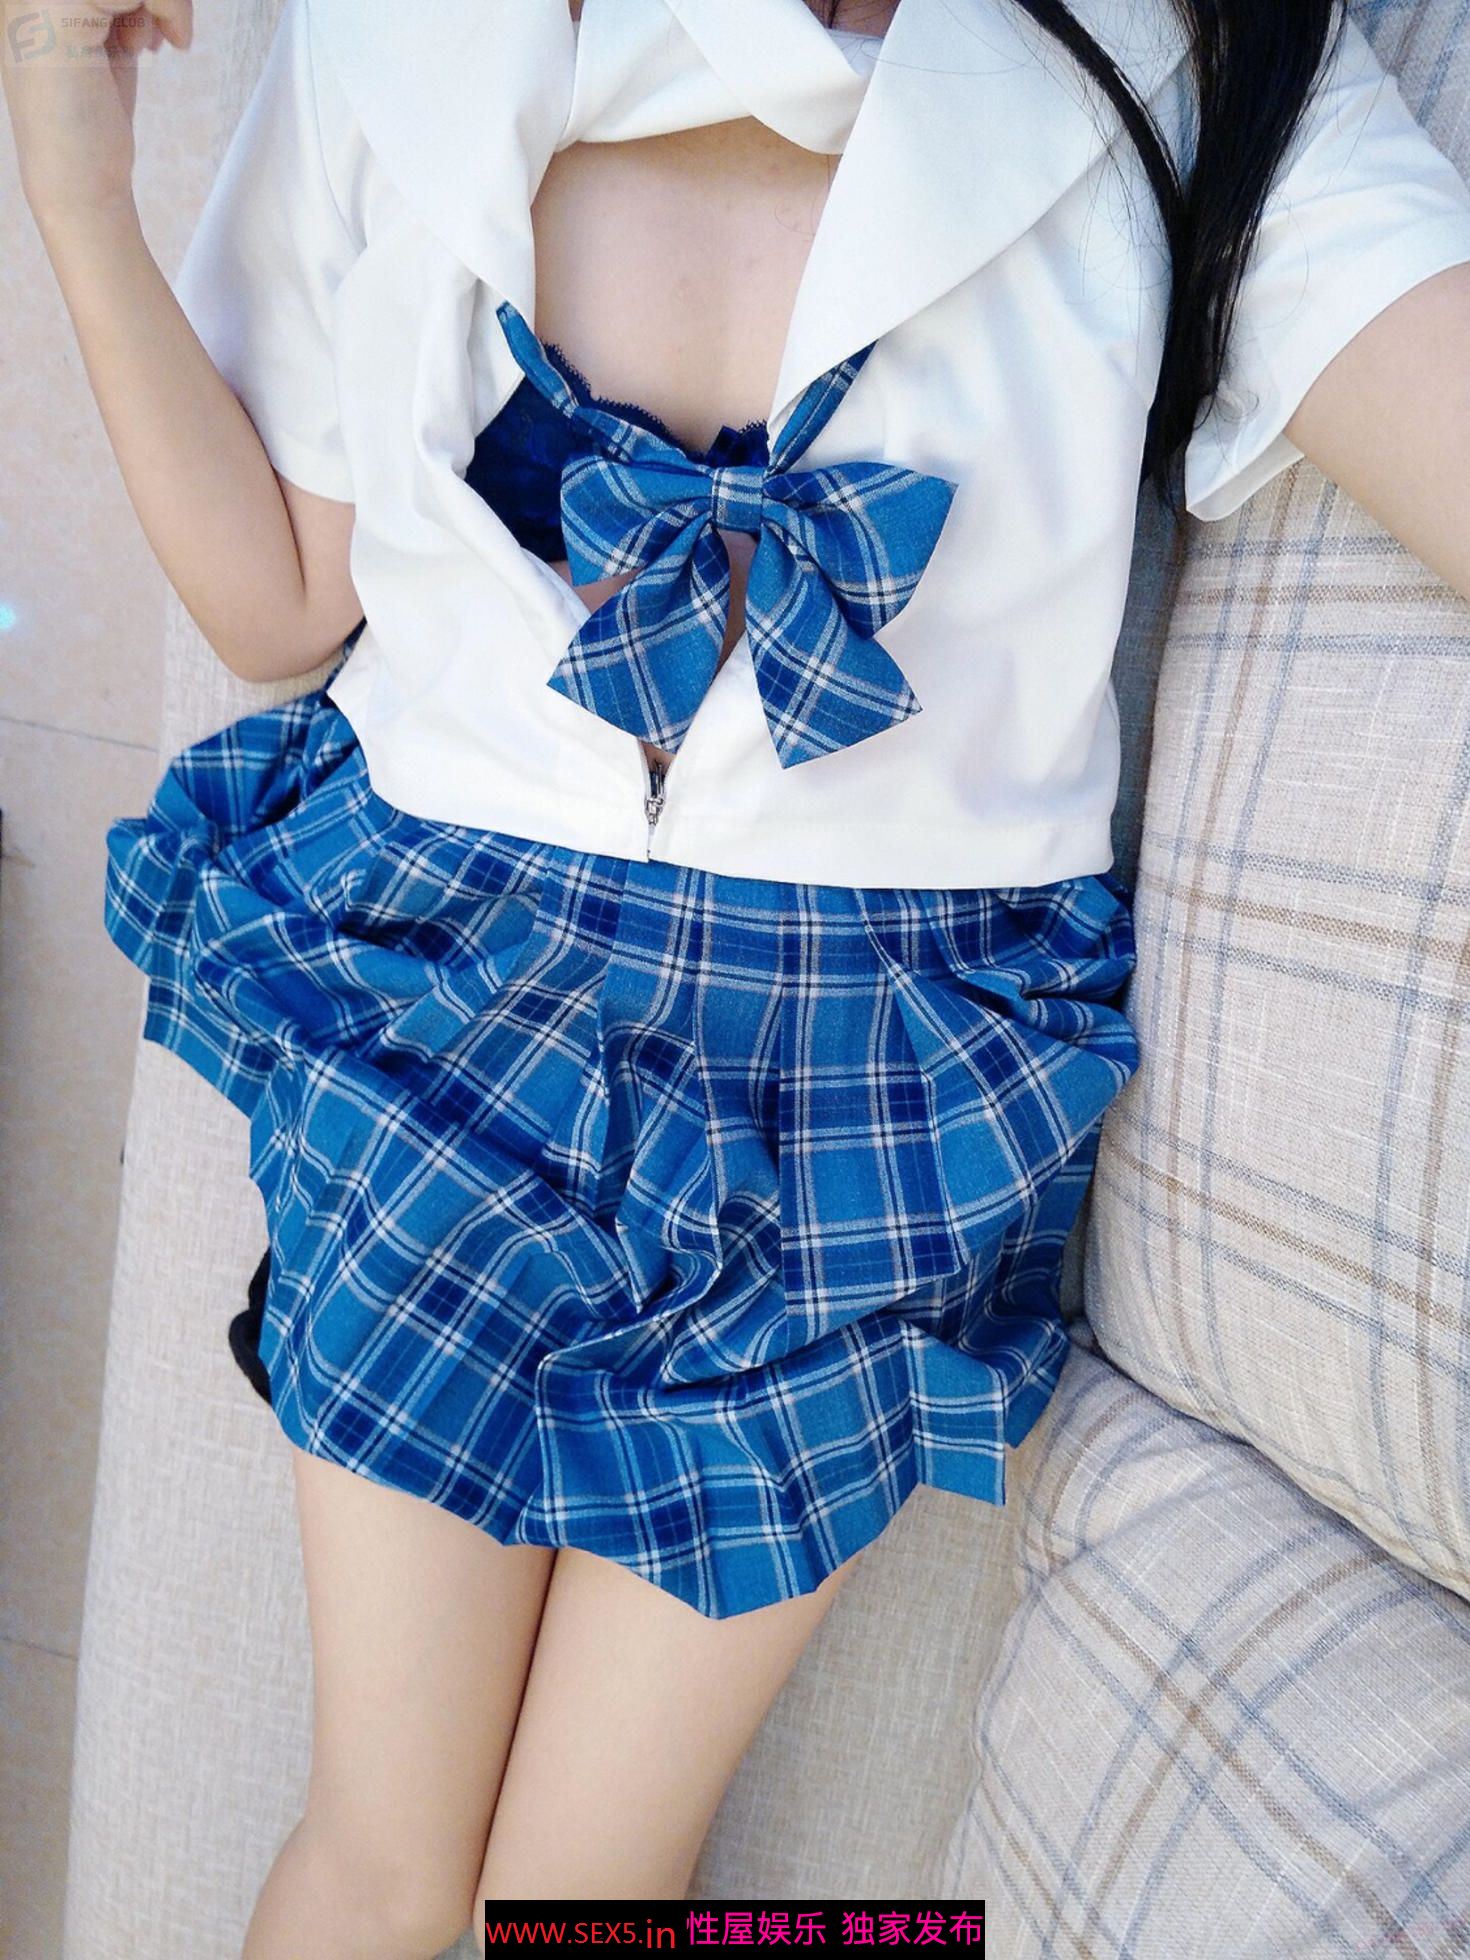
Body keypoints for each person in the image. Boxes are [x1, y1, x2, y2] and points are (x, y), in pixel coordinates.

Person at [7, 0, 1470, 1942]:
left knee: (579, 1894)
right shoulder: (392, 29)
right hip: (445, 992)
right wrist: (70, 159)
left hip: (871, 1085)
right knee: (381, 1856)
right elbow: (279, 591)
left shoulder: (1190, 56)